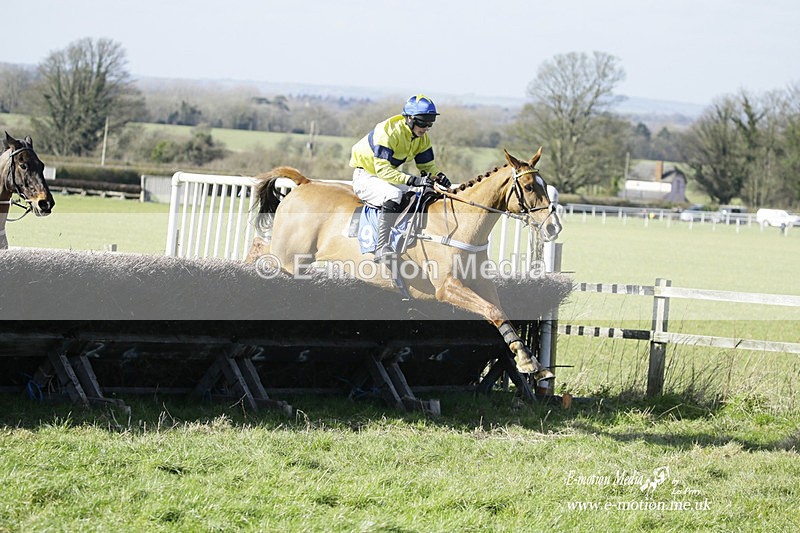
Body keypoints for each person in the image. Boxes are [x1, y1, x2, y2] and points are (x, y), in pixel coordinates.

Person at [350, 94, 451, 263]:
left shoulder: (422, 139)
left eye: (430, 123)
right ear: (409, 118)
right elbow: (382, 171)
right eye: (422, 122)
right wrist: (414, 181)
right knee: (393, 195)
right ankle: (381, 247)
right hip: (366, 176)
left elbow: (427, 168)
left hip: (386, 177)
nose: (426, 128)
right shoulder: (388, 132)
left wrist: (438, 177)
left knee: (422, 193)